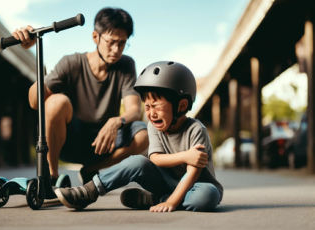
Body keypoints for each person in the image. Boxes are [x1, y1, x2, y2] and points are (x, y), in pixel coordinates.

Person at [54, 61, 223, 212]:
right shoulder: (154, 127)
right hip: (165, 183)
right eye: (147, 107)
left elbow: (192, 173)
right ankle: (89, 190)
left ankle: (154, 199)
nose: (151, 113)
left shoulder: (196, 130)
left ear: (182, 105)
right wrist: (186, 156)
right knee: (137, 161)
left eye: (156, 106)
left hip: (195, 186)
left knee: (207, 196)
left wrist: (171, 202)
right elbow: (155, 159)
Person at [12, 7, 148, 184]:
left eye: (122, 43)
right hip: (69, 140)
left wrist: (116, 121)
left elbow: (134, 110)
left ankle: (91, 171)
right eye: (111, 42)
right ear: (95, 37)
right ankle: (51, 176)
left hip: (104, 142)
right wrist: (32, 48)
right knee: (56, 102)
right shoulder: (72, 63)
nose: (116, 50)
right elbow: (34, 102)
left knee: (143, 135)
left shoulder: (126, 65)